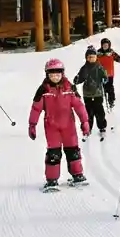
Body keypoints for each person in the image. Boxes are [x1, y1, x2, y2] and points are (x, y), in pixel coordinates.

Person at [29, 59, 90, 190]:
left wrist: (84, 121)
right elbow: (36, 108)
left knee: (73, 150)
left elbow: (79, 106)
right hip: (52, 127)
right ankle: (52, 180)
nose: (55, 77)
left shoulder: (70, 88)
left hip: (69, 126)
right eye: (52, 75)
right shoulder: (43, 90)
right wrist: (32, 125)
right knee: (54, 153)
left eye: (57, 75)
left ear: (62, 74)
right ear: (47, 75)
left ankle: (77, 174)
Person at [74, 47, 110, 139]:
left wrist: (105, 79)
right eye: (89, 57)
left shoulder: (99, 67)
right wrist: (77, 80)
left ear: (96, 57)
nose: (91, 58)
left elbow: (105, 76)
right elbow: (80, 78)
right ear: (86, 58)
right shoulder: (84, 68)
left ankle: (102, 128)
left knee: (99, 112)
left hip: (98, 93)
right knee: (88, 113)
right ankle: (88, 128)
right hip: (87, 94)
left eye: (93, 57)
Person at [95, 38, 120, 108]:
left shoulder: (112, 53)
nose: (105, 46)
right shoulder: (98, 53)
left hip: (110, 74)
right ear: (101, 45)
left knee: (110, 87)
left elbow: (119, 59)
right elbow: (92, 60)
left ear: (109, 45)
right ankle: (100, 101)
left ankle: (111, 100)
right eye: (104, 45)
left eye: (107, 45)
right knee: (102, 87)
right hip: (101, 74)